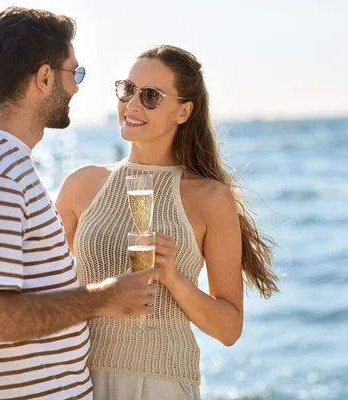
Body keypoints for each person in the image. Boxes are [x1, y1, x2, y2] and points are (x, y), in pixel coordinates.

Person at [0, 7, 158, 400]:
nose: (77, 87)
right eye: (73, 73)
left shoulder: (7, 164)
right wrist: (105, 298)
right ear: (44, 78)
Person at [55, 45, 280, 399]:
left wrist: (174, 279)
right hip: (78, 380)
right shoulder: (81, 185)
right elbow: (46, 291)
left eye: (150, 96)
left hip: (163, 385)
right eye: (127, 89)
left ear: (183, 111)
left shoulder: (211, 198)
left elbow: (229, 328)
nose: (131, 105)